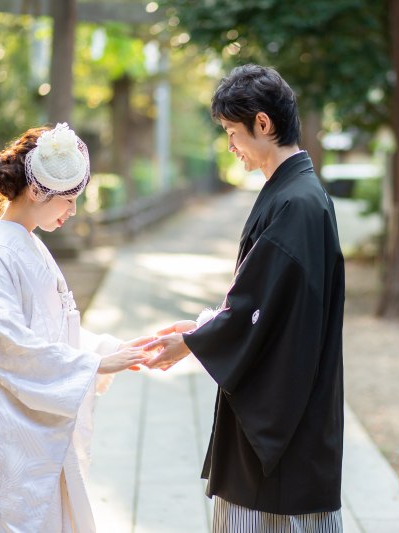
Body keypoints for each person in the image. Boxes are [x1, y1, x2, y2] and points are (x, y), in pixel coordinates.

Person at [144, 65, 346, 532]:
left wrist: (196, 342)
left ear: (263, 123)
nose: (231, 146)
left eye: (233, 133)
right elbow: (267, 302)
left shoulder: (297, 203)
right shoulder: (297, 194)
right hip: (291, 405)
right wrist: (202, 329)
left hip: (282, 425)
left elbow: (262, 306)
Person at [0, 123, 153, 533]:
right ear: (36, 192)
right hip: (2, 427)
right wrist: (91, 365)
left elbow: (47, 333)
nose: (72, 211)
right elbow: (6, 343)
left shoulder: (27, 243)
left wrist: (107, 351)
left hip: (25, 418)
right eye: (67, 200)